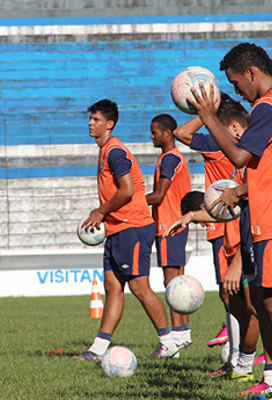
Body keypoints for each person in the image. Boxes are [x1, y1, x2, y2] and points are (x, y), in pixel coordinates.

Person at [189, 43, 272, 400]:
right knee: (270, 299)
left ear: (251, 72)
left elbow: (237, 154)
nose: (236, 92)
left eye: (236, 83)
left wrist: (208, 116)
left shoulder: (268, 105)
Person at [77, 99, 179, 361]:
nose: (90, 123)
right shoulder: (105, 151)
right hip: (117, 228)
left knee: (139, 287)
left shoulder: (115, 151)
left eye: (96, 119)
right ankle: (98, 350)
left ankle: (169, 343)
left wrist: (100, 211)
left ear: (109, 124)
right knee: (112, 286)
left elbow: (127, 190)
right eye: (90, 118)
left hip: (132, 227)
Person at [173, 93, 241, 352]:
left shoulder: (217, 143)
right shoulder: (234, 143)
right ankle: (236, 351)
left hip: (221, 223)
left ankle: (238, 348)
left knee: (230, 289)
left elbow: (181, 133)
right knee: (233, 289)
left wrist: (206, 114)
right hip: (225, 218)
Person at [146, 113, 192, 351]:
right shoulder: (174, 158)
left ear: (166, 133)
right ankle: (183, 333)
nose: (151, 136)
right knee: (178, 281)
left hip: (168, 225)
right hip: (176, 224)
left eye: (154, 132)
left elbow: (159, 196)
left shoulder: (169, 159)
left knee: (171, 282)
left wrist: (132, 202)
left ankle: (174, 340)